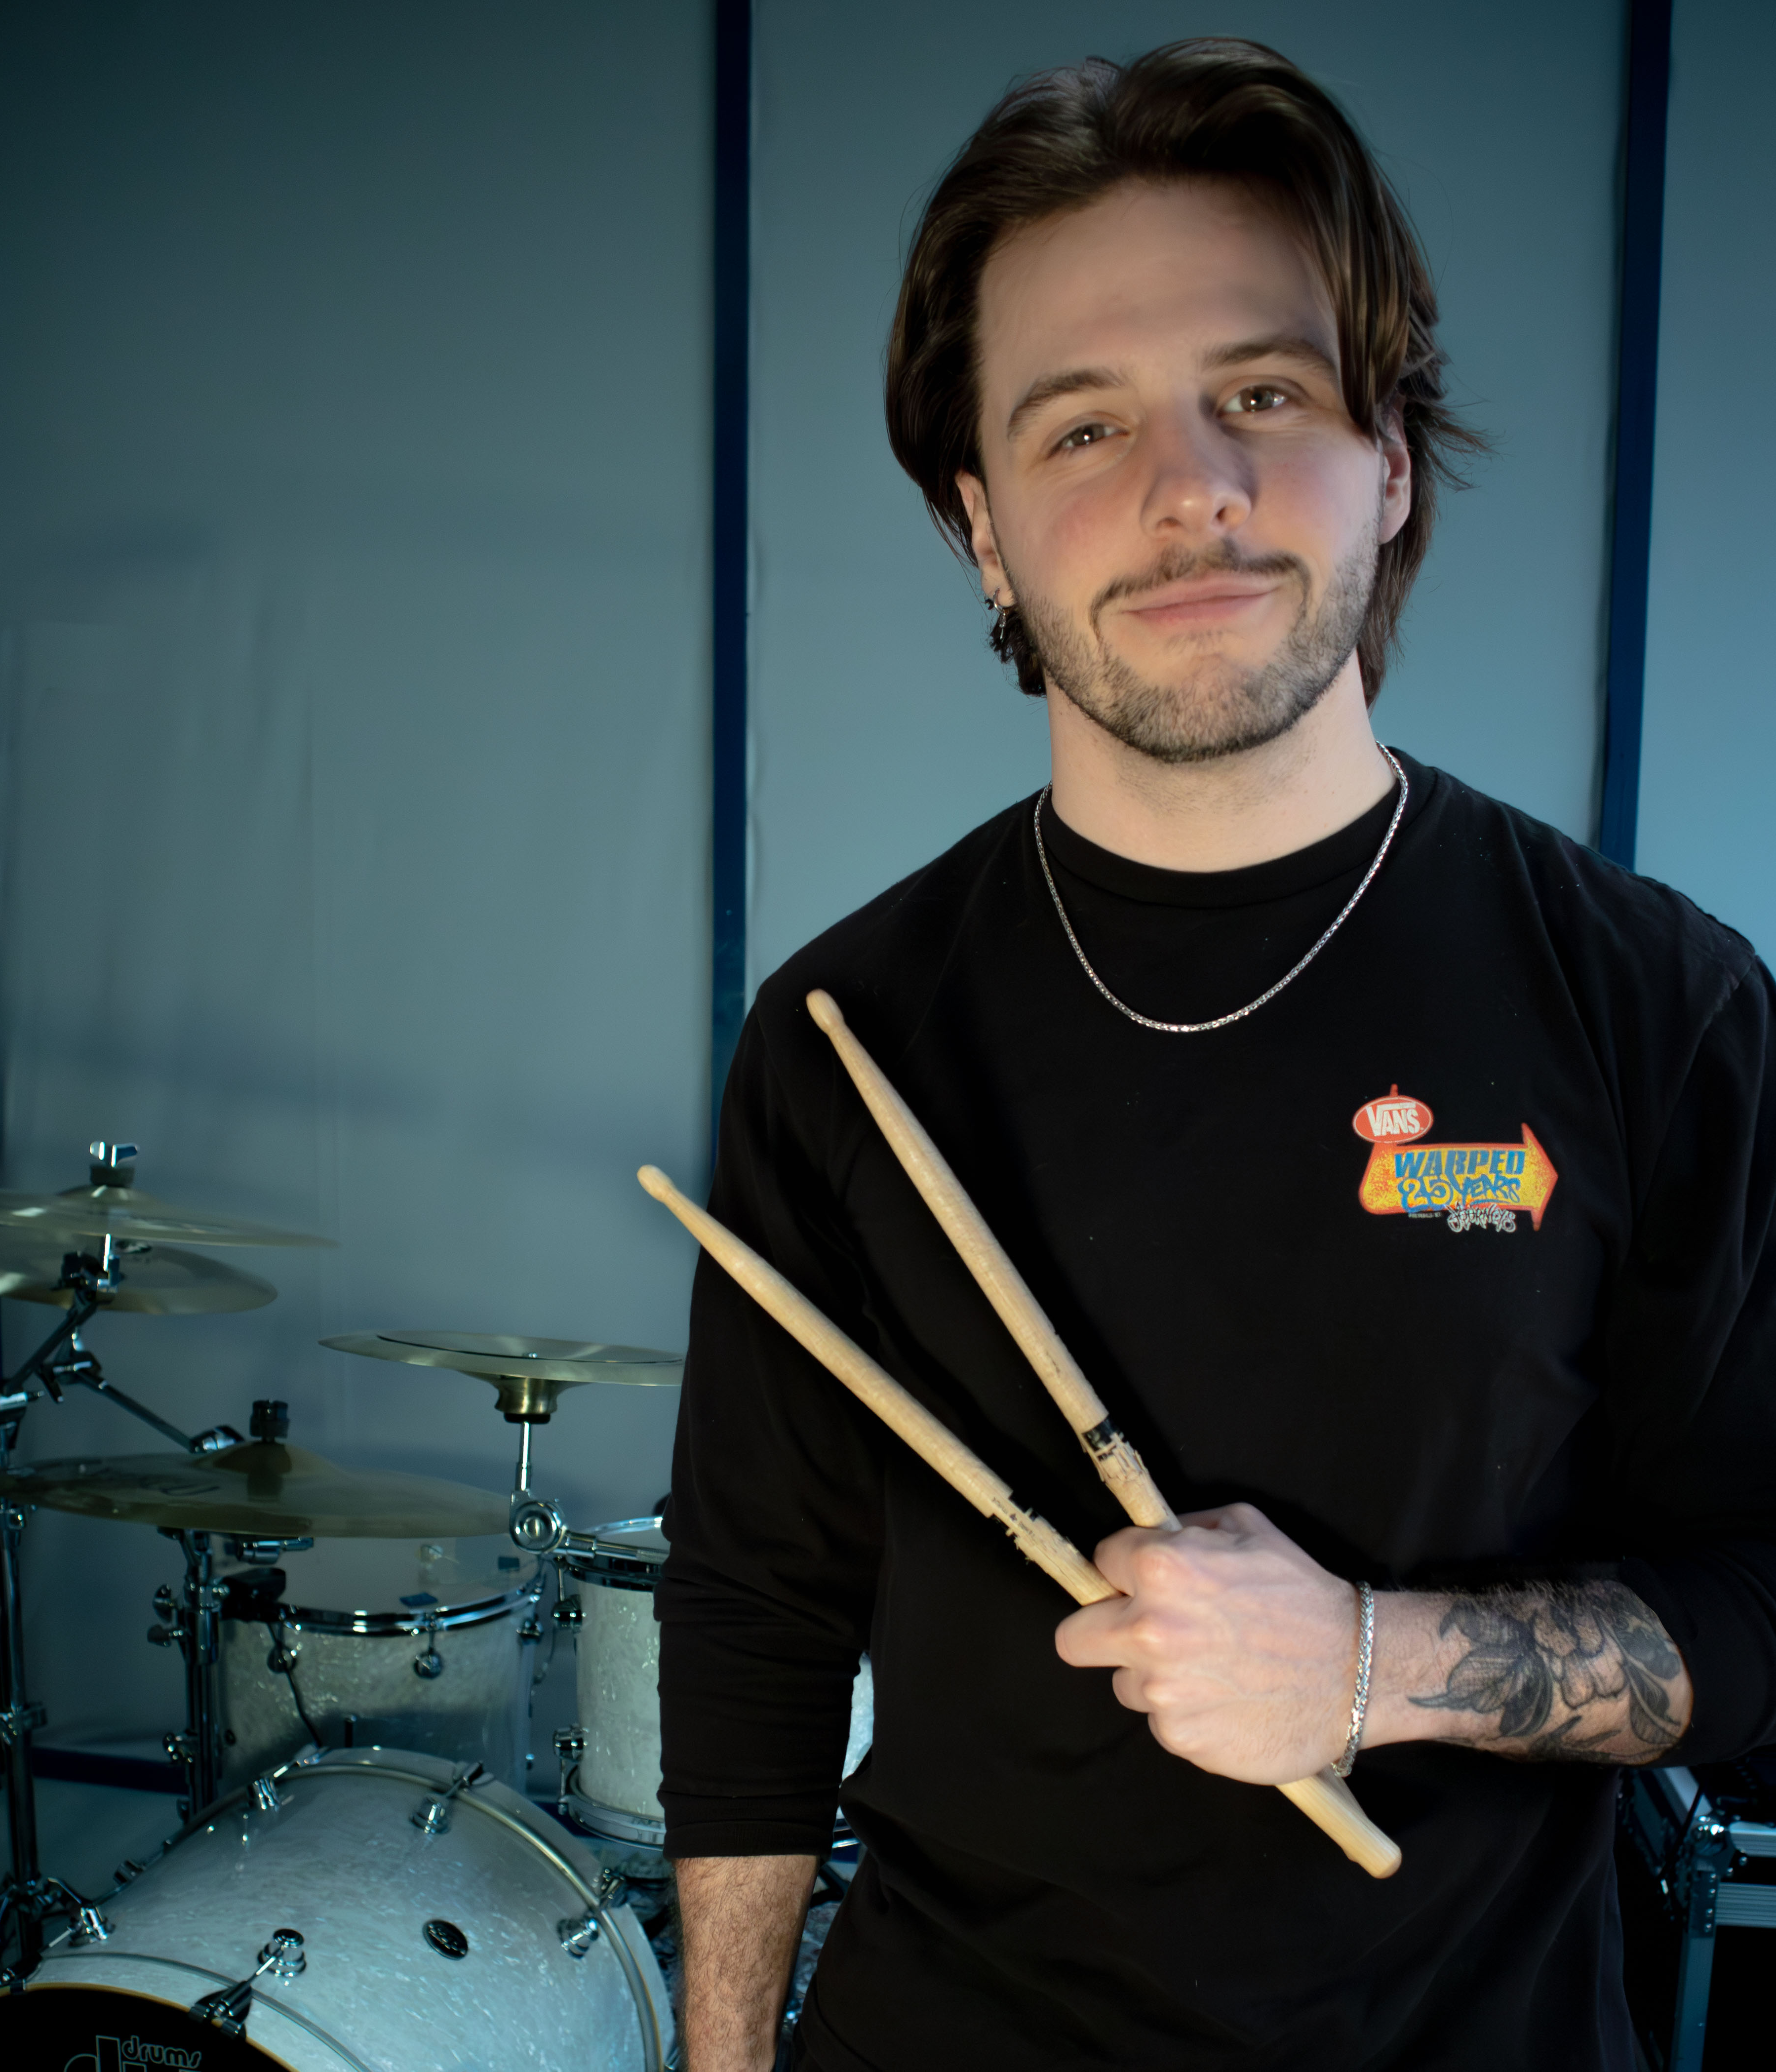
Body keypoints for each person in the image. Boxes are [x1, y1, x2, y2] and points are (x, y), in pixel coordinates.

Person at [655, 39, 1776, 2072]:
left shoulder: (1652, 1002)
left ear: (1394, 461)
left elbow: (1767, 1599)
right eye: (1082, 428)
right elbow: (754, 1619)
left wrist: (1374, 1661)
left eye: (1264, 392)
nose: (1191, 488)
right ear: (981, 529)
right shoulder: (842, 1037)